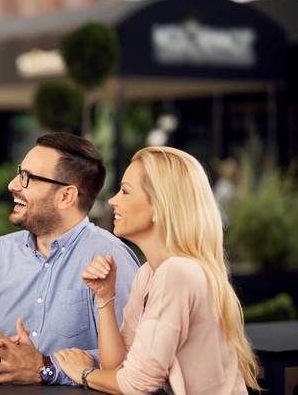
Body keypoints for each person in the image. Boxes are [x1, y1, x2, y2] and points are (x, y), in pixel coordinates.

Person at [53, 147, 262, 394]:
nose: (112, 200)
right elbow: (118, 366)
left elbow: (137, 385)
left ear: (159, 206)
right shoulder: (149, 273)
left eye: (125, 191)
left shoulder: (177, 273)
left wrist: (84, 374)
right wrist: (104, 297)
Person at [0, 132, 141, 386]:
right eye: (19, 173)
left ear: (65, 197)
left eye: (27, 178)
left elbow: (131, 359)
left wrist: (45, 368)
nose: (13, 185)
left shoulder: (113, 259)